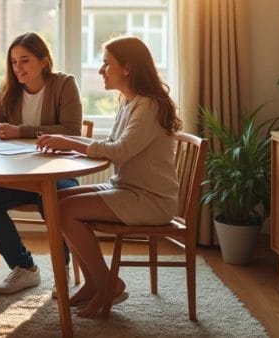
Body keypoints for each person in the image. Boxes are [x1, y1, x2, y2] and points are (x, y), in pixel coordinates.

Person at [35, 35, 182, 317]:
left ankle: (107, 284)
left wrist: (71, 142)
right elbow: (113, 148)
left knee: (64, 209)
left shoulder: (148, 105)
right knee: (55, 199)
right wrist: (69, 148)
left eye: (106, 64)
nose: (101, 70)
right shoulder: (128, 102)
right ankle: (94, 282)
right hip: (128, 189)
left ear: (127, 68)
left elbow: (119, 151)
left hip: (151, 200)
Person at [0, 32, 83, 295]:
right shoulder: (7, 90)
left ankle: (63, 269)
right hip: (18, 174)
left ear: (43, 61)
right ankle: (24, 267)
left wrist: (20, 131)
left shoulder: (64, 84)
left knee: (55, 197)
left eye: (24, 61)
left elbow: (72, 130)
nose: (18, 68)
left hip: (58, 170)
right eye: (13, 62)